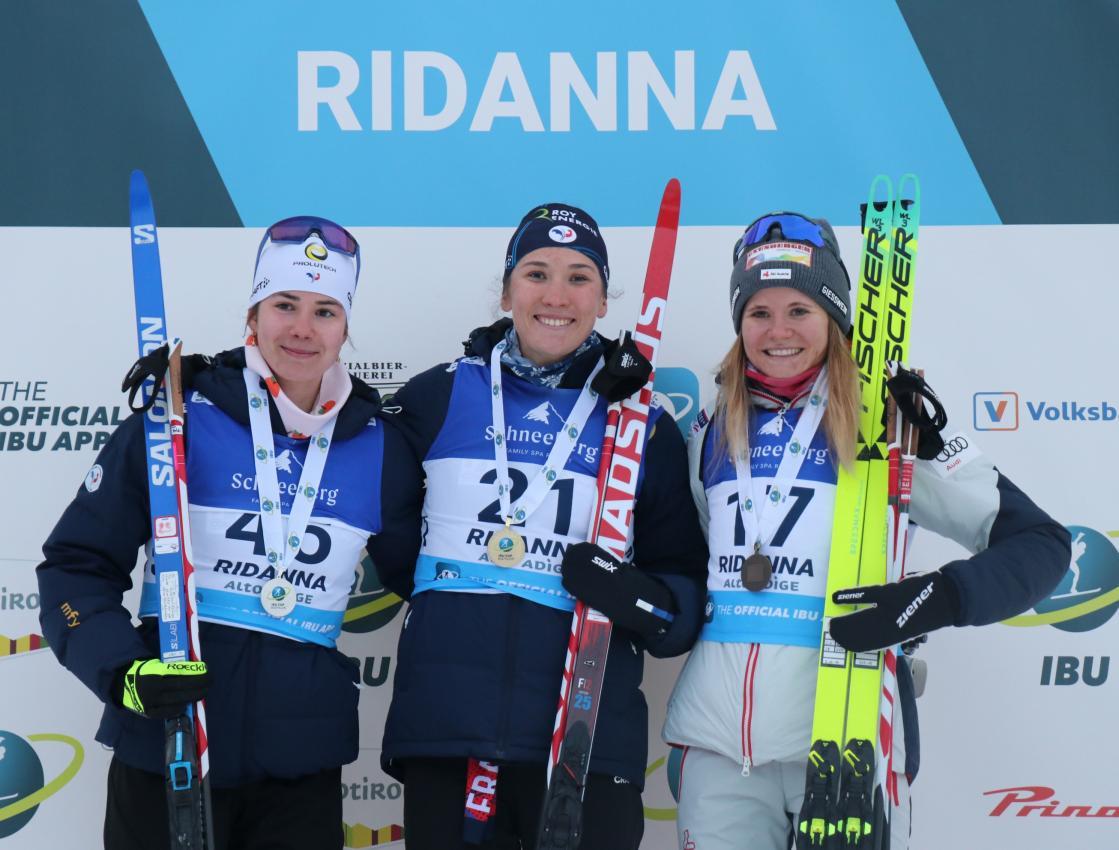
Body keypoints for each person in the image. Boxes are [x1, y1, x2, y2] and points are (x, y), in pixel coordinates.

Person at [662, 212, 1070, 849]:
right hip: (716, 750)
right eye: (759, 312)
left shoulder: (891, 425)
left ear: (834, 316)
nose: (778, 331)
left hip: (846, 737)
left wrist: (937, 597)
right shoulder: (710, 433)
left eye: (799, 310)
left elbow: (1040, 543)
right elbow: (691, 569)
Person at [36, 217, 420, 850]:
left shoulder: (380, 448)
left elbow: (431, 581)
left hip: (299, 766)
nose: (303, 328)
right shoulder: (176, 418)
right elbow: (75, 567)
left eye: (325, 311)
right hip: (166, 742)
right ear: (254, 314)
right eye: (285, 305)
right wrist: (124, 671)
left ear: (345, 327)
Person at [375, 202, 708, 849]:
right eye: (536, 273)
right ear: (506, 292)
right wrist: (449, 599)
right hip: (449, 728)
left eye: (579, 277)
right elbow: (385, 534)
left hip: (588, 738)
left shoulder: (641, 423)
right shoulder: (435, 397)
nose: (556, 296)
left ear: (603, 300)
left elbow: (682, 596)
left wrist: (634, 597)